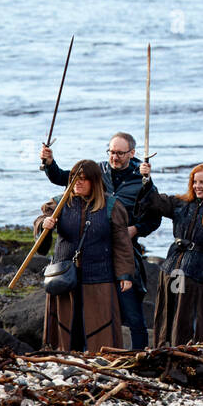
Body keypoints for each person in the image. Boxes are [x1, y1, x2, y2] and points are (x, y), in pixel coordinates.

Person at [41, 133, 154, 350]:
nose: (115, 157)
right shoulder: (96, 171)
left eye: (120, 153)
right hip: (72, 267)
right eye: (111, 152)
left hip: (115, 256)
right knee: (73, 317)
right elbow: (63, 178)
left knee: (130, 313)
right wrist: (49, 163)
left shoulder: (140, 179)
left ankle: (138, 355)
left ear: (132, 153)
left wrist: (135, 229)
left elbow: (153, 214)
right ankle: (69, 355)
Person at [34, 159, 136, 352]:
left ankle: (99, 358)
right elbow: (41, 222)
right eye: (73, 179)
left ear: (95, 181)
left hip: (99, 276)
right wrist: (43, 224)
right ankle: (63, 355)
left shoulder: (111, 206)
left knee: (99, 322)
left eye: (82, 179)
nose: (77, 183)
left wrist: (125, 275)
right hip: (64, 275)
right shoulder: (59, 203)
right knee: (67, 321)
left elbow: (122, 244)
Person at [135, 161, 203, 347]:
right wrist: (147, 179)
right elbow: (154, 201)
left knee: (192, 321)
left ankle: (191, 359)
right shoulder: (180, 204)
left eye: (202, 182)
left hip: (200, 277)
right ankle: (166, 353)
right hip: (173, 271)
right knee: (171, 315)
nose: (197, 186)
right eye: (195, 182)